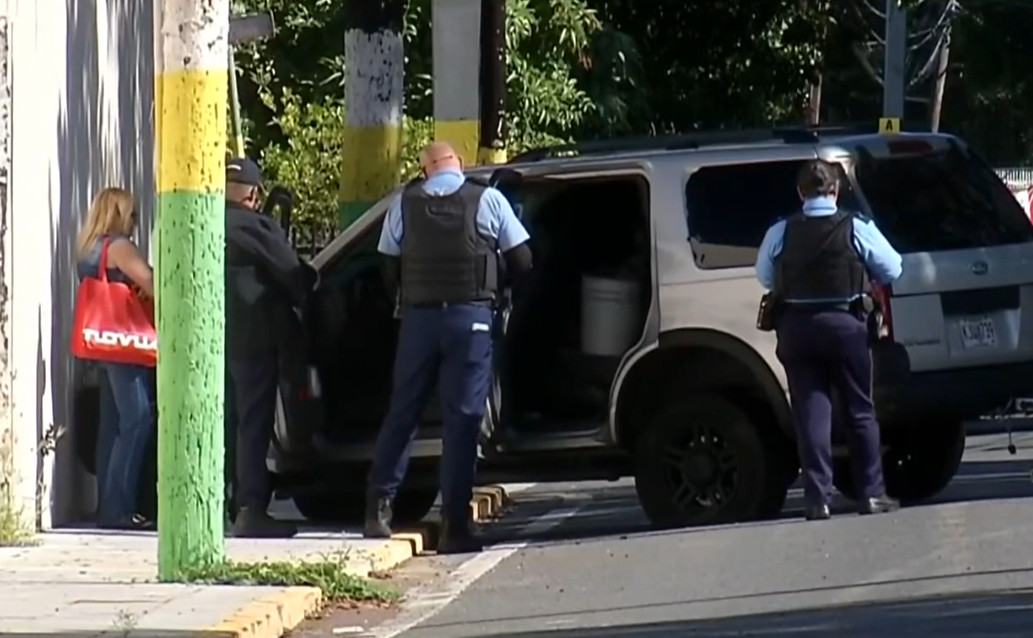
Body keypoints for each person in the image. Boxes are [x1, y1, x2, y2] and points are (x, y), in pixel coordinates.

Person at [364, 141, 533, 553]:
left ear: (425, 170)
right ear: (457, 164)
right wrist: (499, 293)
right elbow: (523, 259)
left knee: (404, 412)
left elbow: (386, 261)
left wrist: (407, 300)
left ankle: (378, 510)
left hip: (419, 320)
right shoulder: (488, 199)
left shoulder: (403, 203)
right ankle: (455, 527)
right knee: (462, 420)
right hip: (470, 318)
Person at [755, 159, 904, 521]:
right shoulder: (855, 226)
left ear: (800, 192)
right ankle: (871, 493)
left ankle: (818, 499)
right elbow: (893, 267)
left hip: (797, 328)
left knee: (810, 414)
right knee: (859, 410)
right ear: (836, 190)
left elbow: (765, 277)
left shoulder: (781, 231)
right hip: (846, 324)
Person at [224, 156, 312, 538]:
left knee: (222, 423)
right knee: (252, 423)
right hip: (253, 341)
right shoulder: (256, 227)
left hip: (210, 340)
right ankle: (251, 507)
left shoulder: (201, 220)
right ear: (254, 195)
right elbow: (294, 276)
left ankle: (218, 503)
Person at [75, 187, 156, 530]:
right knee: (138, 418)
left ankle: (107, 507)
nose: (136, 222)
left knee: (111, 424)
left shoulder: (88, 248)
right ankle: (118, 508)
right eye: (133, 214)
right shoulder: (119, 247)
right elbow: (151, 283)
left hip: (100, 344)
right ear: (119, 214)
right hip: (124, 343)